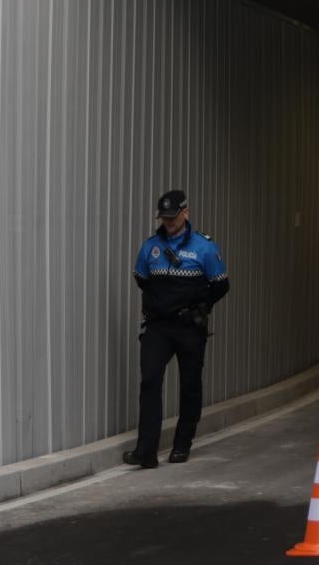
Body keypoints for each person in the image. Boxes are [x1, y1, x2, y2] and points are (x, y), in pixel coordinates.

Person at [122, 189, 229, 468]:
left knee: (190, 384)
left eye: (173, 216)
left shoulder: (205, 248)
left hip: (188, 328)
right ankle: (146, 451)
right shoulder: (150, 247)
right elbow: (142, 279)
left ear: (186, 213)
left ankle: (182, 444)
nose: (169, 222)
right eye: (165, 218)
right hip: (158, 327)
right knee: (150, 381)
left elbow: (220, 285)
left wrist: (198, 308)